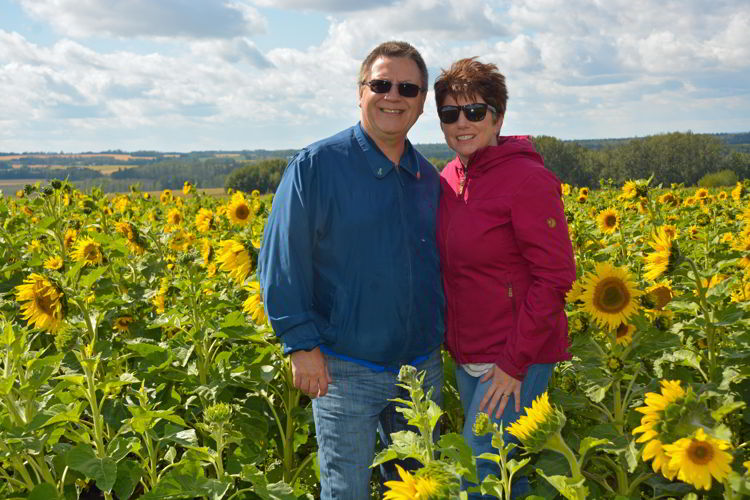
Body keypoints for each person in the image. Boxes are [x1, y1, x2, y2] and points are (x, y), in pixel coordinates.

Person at [258, 41, 444, 499]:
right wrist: (301, 345)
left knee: (422, 488)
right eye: (381, 84)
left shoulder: (428, 178)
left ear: (422, 102)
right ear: (360, 91)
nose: (393, 96)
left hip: (420, 368)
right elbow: (281, 261)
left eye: (407, 88)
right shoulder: (318, 166)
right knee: (346, 490)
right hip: (345, 368)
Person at [434, 58, 576, 499]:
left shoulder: (528, 179)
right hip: (469, 349)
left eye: (475, 111)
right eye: (450, 113)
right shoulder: (448, 177)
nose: (463, 123)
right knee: (505, 467)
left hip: (518, 353)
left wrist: (514, 364)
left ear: (498, 116)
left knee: (481, 456)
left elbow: (554, 277)